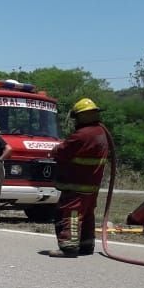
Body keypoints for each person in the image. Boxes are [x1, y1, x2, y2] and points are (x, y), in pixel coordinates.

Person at [49, 98, 110, 257]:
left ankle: (69, 246)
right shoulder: (101, 132)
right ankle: (86, 245)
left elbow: (62, 151)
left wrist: (54, 150)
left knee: (72, 214)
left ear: (80, 116)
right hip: (91, 185)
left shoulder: (82, 135)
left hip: (76, 184)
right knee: (87, 215)